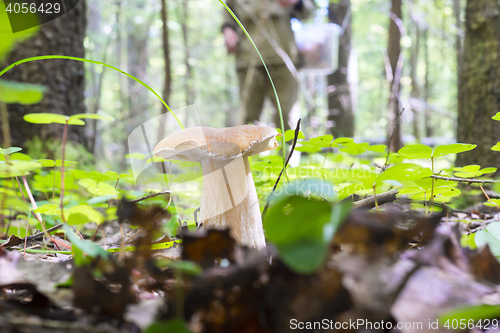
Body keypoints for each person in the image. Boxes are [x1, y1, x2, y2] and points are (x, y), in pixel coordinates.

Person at [222, 0, 314, 130]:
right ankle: (250, 150)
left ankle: (290, 149)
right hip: (247, 58)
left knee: (287, 115)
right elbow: (228, 15)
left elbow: (307, 11)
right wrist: (228, 30)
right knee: (248, 118)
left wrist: (297, 2)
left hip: (283, 57)